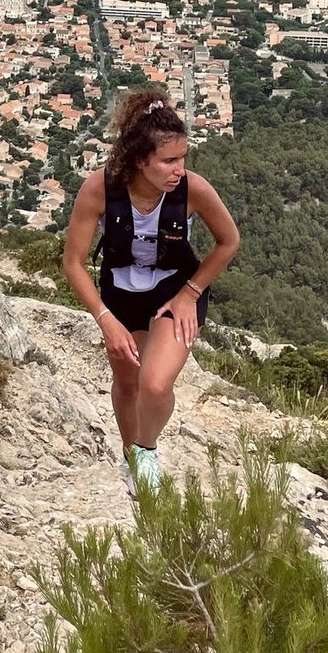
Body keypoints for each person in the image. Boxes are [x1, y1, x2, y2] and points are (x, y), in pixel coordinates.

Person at [62, 86, 240, 496]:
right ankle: (131, 460)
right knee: (127, 381)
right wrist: (104, 318)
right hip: (119, 294)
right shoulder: (100, 189)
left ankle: (146, 451)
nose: (179, 169)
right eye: (169, 161)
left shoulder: (192, 189)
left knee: (155, 384)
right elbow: (73, 262)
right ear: (141, 160)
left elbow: (229, 241)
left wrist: (191, 294)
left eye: (182, 159)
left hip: (175, 290)